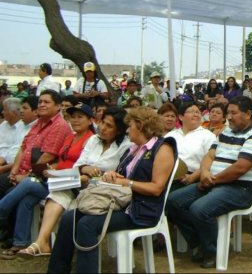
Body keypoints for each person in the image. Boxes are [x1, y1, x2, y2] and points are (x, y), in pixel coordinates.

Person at [47, 107, 177, 273]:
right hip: (122, 204)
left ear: (141, 126)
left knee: (87, 225)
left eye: (130, 126)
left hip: (141, 211)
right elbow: (124, 178)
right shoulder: (134, 149)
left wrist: (127, 183)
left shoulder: (162, 149)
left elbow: (156, 188)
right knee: (69, 218)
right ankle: (56, 270)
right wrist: (114, 176)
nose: (127, 130)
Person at [168, 96, 252, 269]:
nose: (229, 117)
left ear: (249, 114)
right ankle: (200, 243)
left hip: (240, 189)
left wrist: (211, 180)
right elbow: (210, 155)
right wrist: (205, 172)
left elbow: (240, 168)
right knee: (172, 202)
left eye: (233, 113)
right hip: (214, 182)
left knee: (199, 209)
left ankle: (212, 251)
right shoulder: (226, 132)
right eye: (228, 112)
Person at [16, 106, 131, 258]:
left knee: (37, 190)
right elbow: (78, 165)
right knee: (57, 192)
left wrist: (95, 175)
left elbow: (120, 174)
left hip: (102, 192)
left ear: (118, 131)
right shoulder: (93, 140)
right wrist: (86, 168)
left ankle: (39, 242)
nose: (102, 128)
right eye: (102, 122)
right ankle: (41, 242)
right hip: (80, 185)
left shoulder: (125, 146)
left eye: (109, 126)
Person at [0, 103, 95, 259]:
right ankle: (20, 242)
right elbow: (60, 159)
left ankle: (2, 211)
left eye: (80, 117)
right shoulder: (70, 137)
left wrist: (57, 173)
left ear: (90, 120)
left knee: (29, 183)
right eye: (73, 117)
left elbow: (82, 166)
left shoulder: (90, 140)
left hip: (70, 185)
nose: (75, 120)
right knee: (28, 198)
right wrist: (51, 168)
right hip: (54, 179)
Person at [165, 102, 216, 187]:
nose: (195, 114)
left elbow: (211, 160)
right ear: (181, 117)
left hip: (192, 177)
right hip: (167, 175)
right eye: (191, 111)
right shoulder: (171, 135)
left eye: (197, 112)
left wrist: (193, 177)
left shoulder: (208, 135)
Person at [0, 98, 25, 174]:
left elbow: (16, 150)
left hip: (12, 165)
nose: (2, 112)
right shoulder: (3, 125)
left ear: (13, 113)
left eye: (4, 110)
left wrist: (2, 160)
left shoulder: (23, 127)